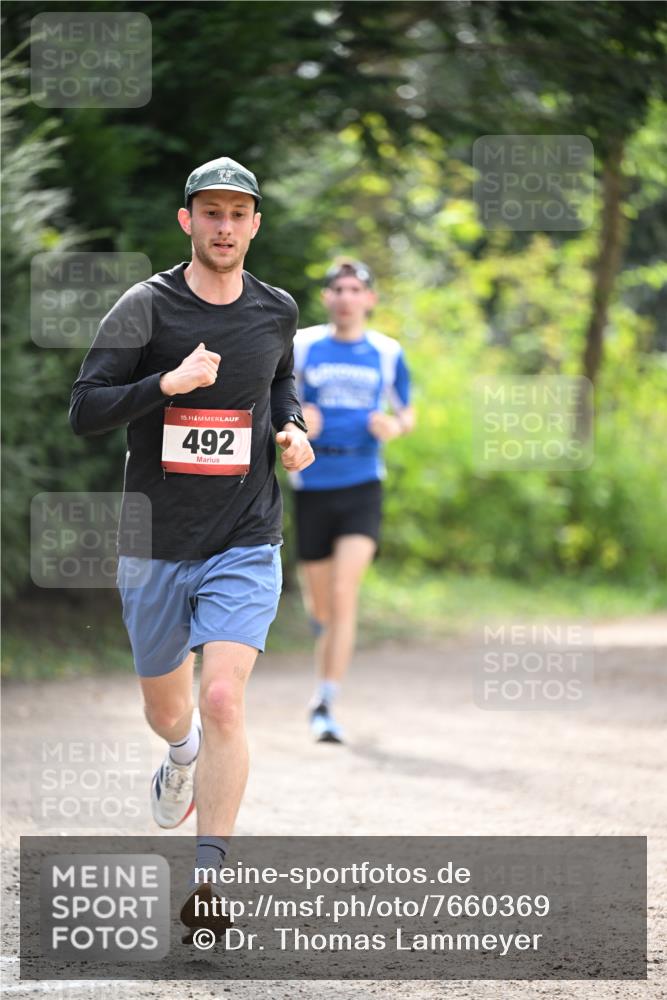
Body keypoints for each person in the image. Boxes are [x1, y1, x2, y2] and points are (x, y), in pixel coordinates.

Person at [69, 156, 313, 939]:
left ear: (254, 225)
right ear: (187, 221)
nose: (224, 226)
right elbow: (85, 410)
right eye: (210, 212)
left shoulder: (275, 311)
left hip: (243, 535)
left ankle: (209, 883)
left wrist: (293, 429)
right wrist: (165, 387)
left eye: (237, 214)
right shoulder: (144, 307)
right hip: (155, 543)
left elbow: (280, 384)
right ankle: (180, 755)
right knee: (172, 710)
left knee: (222, 698)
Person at [291, 259, 415, 744]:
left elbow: (407, 412)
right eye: (337, 289)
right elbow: (276, 396)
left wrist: (394, 426)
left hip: (363, 481)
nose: (345, 297)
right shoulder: (303, 345)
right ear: (326, 298)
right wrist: (300, 419)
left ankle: (325, 699)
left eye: (354, 289)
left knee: (345, 594)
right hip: (313, 484)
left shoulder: (387, 352)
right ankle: (324, 656)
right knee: (321, 606)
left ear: (369, 299)